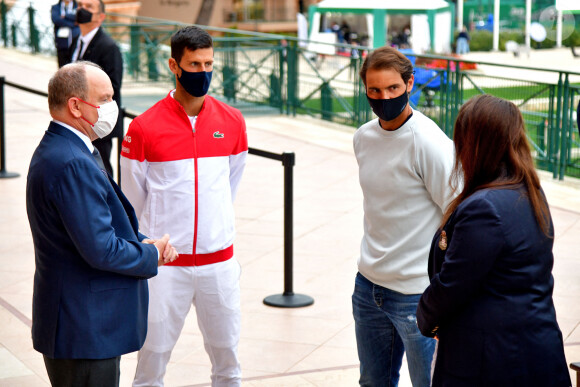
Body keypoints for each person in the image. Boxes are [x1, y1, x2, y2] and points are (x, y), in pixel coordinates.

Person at [26, 61, 178, 387]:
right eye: (106, 98)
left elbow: (99, 226)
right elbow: (101, 249)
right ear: (76, 106)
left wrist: (142, 242)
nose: (113, 106)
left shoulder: (70, 149)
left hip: (81, 325)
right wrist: (151, 256)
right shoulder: (71, 162)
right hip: (85, 329)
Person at [120, 26, 248, 387]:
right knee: (152, 362)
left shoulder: (233, 122)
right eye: (194, 64)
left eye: (209, 63)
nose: (204, 72)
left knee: (228, 362)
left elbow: (229, 185)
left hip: (219, 264)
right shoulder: (143, 128)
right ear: (174, 65)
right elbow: (133, 200)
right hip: (165, 267)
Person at [416, 95, 571, 387]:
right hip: (534, 346)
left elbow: (453, 284)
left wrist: (425, 317)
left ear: (475, 143)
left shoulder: (484, 207)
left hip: (492, 358)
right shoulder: (529, 190)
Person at [352, 46, 455, 386]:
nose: (384, 97)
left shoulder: (429, 142)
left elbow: (457, 213)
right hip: (368, 288)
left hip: (416, 296)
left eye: (393, 88)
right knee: (372, 382)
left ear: (410, 84)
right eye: (374, 91)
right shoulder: (362, 138)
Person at [68, 0, 123, 176]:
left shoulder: (108, 47)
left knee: (102, 171)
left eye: (88, 7)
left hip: (97, 123)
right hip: (76, 120)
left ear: (101, 17)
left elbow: (113, 87)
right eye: (80, 6)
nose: (82, 10)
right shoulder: (76, 40)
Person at [51, 0, 79, 68]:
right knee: (62, 66)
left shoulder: (77, 6)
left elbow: (78, 18)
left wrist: (65, 15)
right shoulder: (56, 7)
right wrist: (72, 24)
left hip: (75, 41)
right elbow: (56, 20)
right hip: (61, 42)